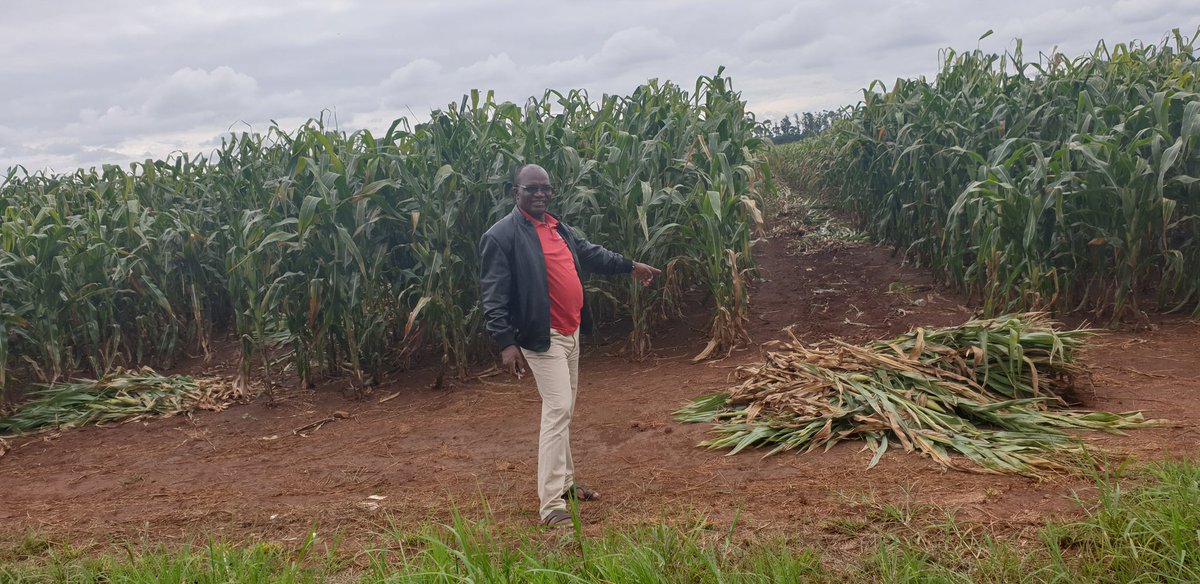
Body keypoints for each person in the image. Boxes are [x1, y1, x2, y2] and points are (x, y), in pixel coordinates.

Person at [478, 164, 661, 527]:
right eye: (532, 189)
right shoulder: (501, 236)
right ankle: (550, 506)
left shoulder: (559, 227)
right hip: (540, 337)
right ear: (516, 192)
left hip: (571, 332)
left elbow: (592, 255)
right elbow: (492, 296)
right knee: (558, 409)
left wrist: (630, 266)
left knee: (565, 410)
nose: (540, 194)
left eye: (545, 188)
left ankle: (565, 484)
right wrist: (505, 343)